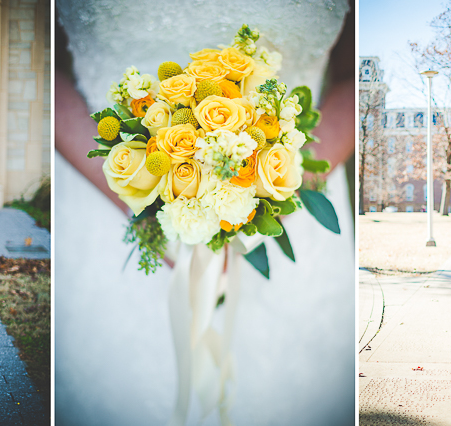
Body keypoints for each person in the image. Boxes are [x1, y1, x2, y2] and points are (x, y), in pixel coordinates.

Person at [54, 1, 354, 424]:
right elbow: (46, 66)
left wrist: (271, 193)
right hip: (99, 195)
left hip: (299, 189)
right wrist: (141, 196)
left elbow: (352, 74)